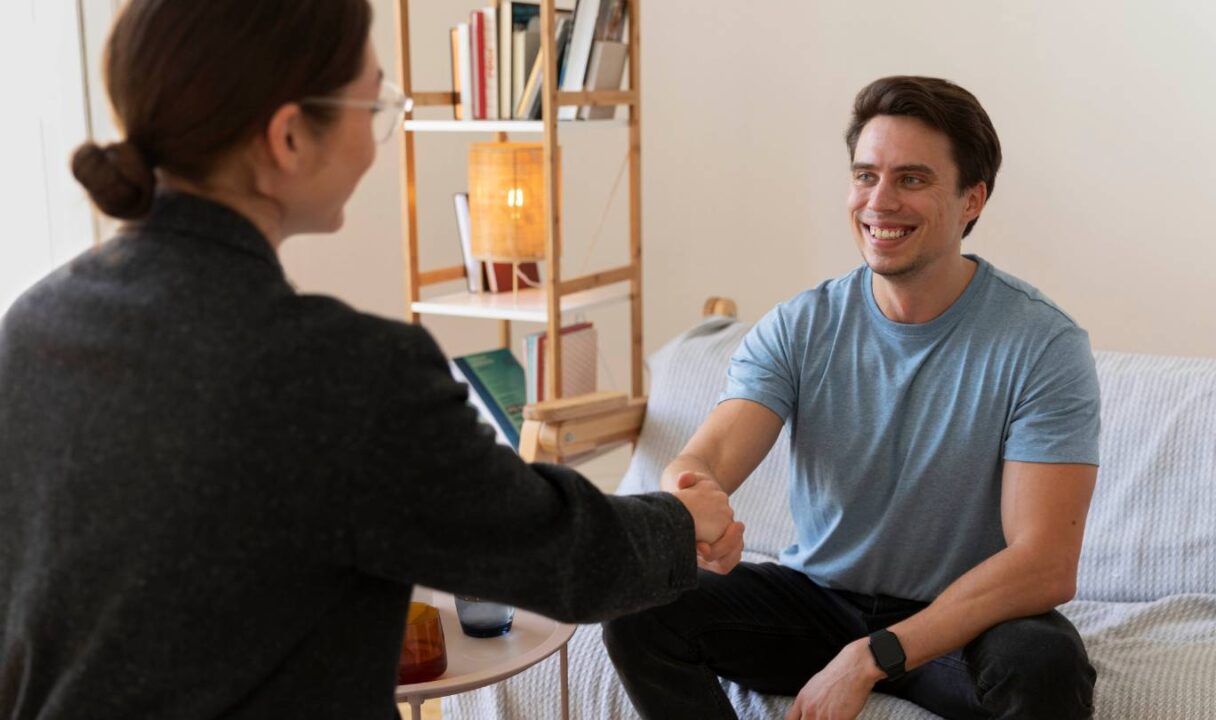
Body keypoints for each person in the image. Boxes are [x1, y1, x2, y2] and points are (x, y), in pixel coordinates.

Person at [0, 2, 740, 719]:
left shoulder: (32, 326)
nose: (377, 130)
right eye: (372, 103)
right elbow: (556, 551)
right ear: (288, 138)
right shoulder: (343, 372)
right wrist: (682, 520)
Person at [603, 76, 1101, 720]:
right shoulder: (801, 324)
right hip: (816, 600)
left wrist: (871, 656)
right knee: (639, 605)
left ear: (971, 200)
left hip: (960, 620)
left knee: (1044, 663)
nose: (880, 201)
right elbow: (708, 457)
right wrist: (691, 504)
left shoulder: (1042, 344)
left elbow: (1044, 565)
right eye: (866, 175)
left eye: (912, 180)